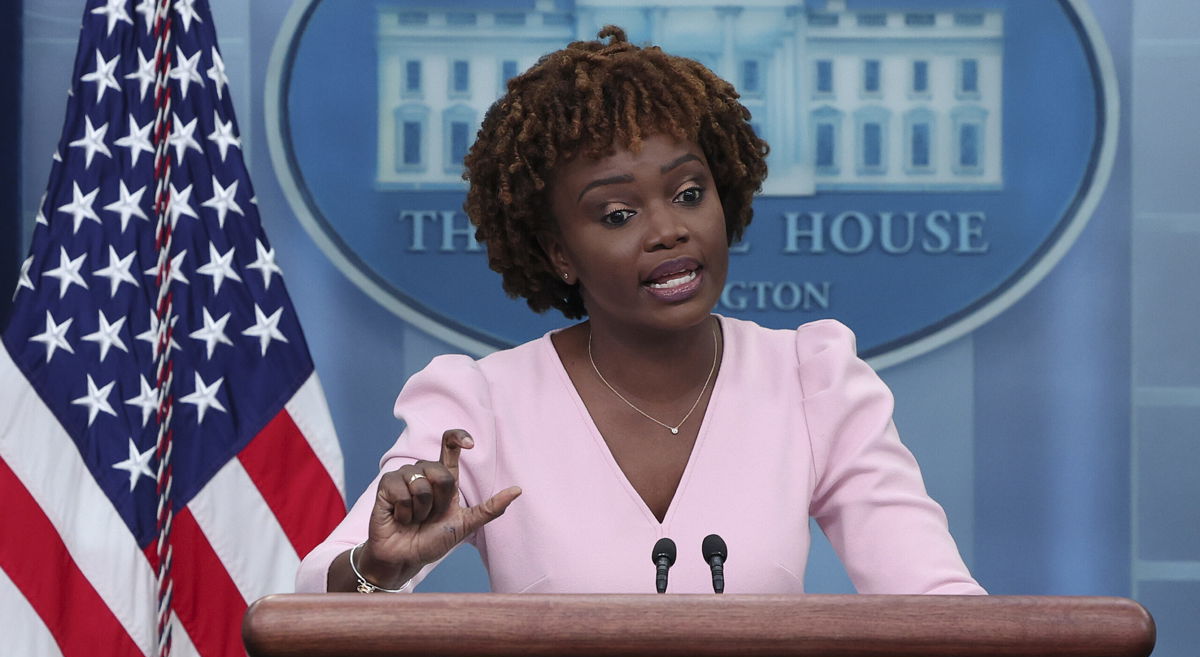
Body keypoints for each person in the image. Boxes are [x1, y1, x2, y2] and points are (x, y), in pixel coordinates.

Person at [296, 26, 984, 598]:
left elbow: (934, 600)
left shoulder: (812, 378)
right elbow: (321, 590)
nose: (668, 230)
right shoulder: (480, 406)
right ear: (558, 251)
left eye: (689, 193)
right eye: (619, 213)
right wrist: (375, 568)